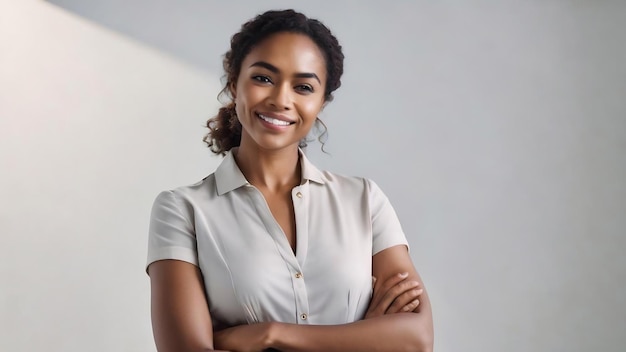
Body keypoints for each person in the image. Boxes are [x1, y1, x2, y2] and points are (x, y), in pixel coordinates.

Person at [147, 9, 433, 352]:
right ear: (234, 83)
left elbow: (416, 340)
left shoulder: (365, 200)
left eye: (303, 87)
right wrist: (363, 337)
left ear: (321, 102)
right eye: (264, 78)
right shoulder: (182, 210)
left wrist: (270, 334)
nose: (281, 100)